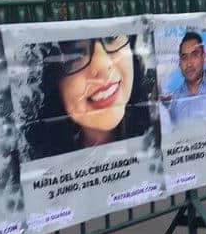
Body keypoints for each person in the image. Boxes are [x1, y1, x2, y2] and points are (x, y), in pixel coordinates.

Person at [25, 35, 154, 159]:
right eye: (74, 55)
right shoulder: (32, 159)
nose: (103, 66)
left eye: (112, 36)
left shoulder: (160, 127)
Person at [170, 32, 206, 125]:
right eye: (184, 57)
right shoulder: (176, 97)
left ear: (203, 57)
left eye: (194, 55)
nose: (189, 64)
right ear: (180, 63)